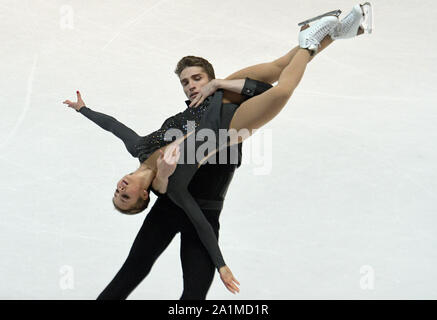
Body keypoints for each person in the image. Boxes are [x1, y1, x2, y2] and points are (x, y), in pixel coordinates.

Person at [62, 4, 372, 298]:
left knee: (279, 68)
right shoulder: (171, 181)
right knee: (135, 273)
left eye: (196, 79)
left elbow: (115, 127)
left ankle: (329, 33)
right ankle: (323, 35)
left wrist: (83, 109)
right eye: (125, 197)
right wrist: (222, 264)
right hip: (193, 204)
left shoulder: (144, 148)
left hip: (215, 129)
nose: (120, 189)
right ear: (143, 196)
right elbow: (189, 191)